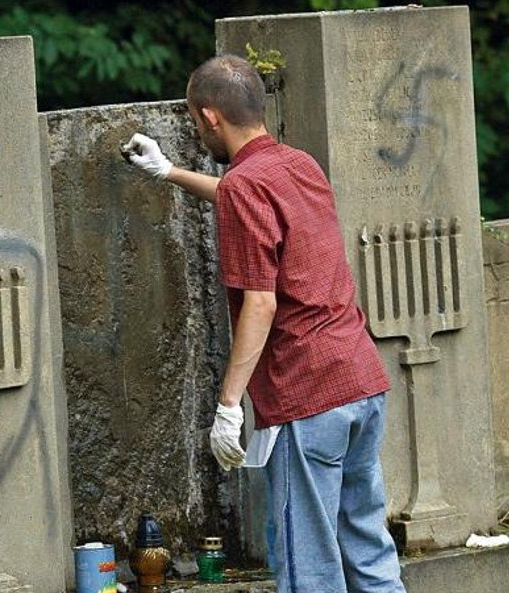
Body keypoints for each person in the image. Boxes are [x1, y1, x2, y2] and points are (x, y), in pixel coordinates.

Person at [123, 54, 406, 593]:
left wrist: (229, 406)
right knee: (369, 550)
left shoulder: (247, 187)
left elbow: (261, 302)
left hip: (308, 394)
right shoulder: (300, 165)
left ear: (209, 117)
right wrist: (170, 173)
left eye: (191, 118)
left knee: (309, 570)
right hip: (361, 382)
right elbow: (243, 194)